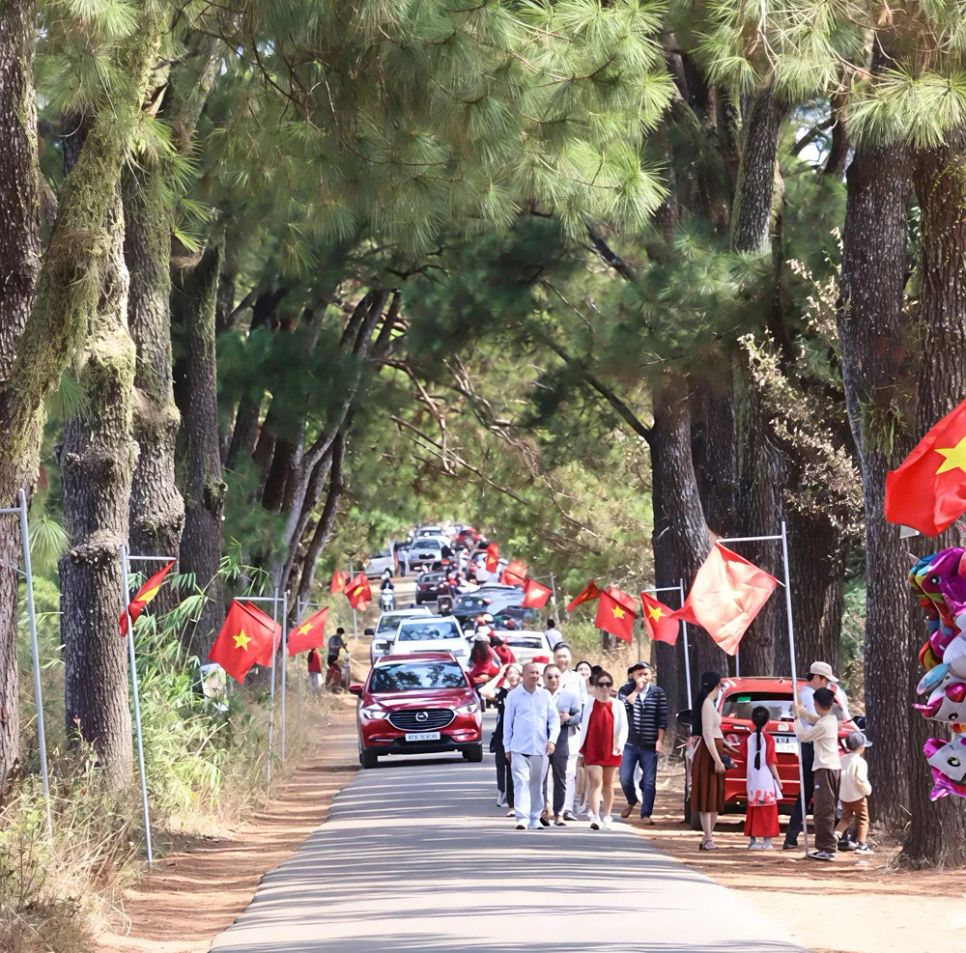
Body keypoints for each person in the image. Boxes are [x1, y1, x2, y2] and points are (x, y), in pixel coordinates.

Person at [783, 660, 848, 850]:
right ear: (818, 678)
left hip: (816, 746)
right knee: (817, 794)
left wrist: (801, 713)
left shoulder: (812, 696)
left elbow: (817, 720)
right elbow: (815, 725)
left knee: (820, 793)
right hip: (812, 747)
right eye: (826, 680)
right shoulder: (810, 695)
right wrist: (798, 716)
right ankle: (825, 837)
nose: (828, 684)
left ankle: (799, 835)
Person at [503, 662, 560, 830]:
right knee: (521, 782)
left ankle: (535, 817)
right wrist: (507, 747)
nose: (535, 676)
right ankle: (522, 817)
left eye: (537, 673)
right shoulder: (514, 696)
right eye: (531, 673)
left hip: (540, 748)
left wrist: (552, 740)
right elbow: (508, 723)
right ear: (523, 675)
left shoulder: (545, 695)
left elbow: (554, 720)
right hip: (519, 747)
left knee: (536, 784)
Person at [793, 686, 842, 861]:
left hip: (825, 769)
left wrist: (796, 719)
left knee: (823, 810)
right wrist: (802, 711)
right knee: (825, 808)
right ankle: (825, 847)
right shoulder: (830, 719)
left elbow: (803, 737)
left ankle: (827, 848)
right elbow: (815, 719)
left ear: (818, 704)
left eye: (814, 704)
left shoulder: (824, 725)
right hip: (829, 768)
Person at [576, 669, 628, 830]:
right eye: (601, 684)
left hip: (611, 748)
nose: (605, 688)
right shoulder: (590, 704)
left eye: (608, 684)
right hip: (592, 748)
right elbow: (584, 726)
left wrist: (620, 744)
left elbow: (624, 727)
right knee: (596, 780)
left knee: (608, 783)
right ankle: (595, 815)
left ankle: (607, 815)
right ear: (596, 686)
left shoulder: (618, 705)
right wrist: (580, 750)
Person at [617, 661, 667, 824]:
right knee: (625, 777)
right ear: (633, 675)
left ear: (651, 675)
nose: (643, 677)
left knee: (649, 780)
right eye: (639, 674)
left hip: (650, 743)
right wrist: (637, 689)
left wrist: (660, 740)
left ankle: (646, 814)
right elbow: (624, 706)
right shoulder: (625, 690)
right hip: (629, 743)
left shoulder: (658, 693)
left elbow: (662, 719)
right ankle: (631, 800)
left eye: (646, 674)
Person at [690, 671, 735, 850]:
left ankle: (708, 836)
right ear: (716, 686)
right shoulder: (707, 705)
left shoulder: (709, 704)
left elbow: (715, 732)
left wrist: (726, 745)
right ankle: (708, 837)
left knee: (715, 796)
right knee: (707, 797)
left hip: (715, 747)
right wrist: (717, 760)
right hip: (709, 752)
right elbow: (707, 733)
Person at [542, 664, 582, 826]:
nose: (553, 680)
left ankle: (559, 812)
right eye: (549, 676)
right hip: (541, 741)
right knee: (541, 778)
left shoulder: (570, 696)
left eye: (556, 676)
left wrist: (568, 719)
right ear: (544, 678)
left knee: (560, 778)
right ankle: (544, 810)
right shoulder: (539, 695)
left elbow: (578, 715)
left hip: (562, 740)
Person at [553, 644, 587, 821]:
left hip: (571, 730)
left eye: (565, 656)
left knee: (569, 771)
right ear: (554, 657)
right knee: (551, 771)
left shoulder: (577, 679)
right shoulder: (547, 675)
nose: (562, 660)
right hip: (549, 732)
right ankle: (550, 807)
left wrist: (571, 719)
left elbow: (583, 705)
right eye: (559, 656)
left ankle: (567, 808)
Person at [743, 705, 782, 850]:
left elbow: (743, 755)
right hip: (766, 779)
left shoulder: (748, 739)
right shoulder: (769, 739)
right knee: (768, 810)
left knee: (753, 808)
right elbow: (771, 761)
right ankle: (767, 841)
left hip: (752, 778)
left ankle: (753, 840)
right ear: (768, 721)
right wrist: (778, 779)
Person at [836, 731, 873, 854]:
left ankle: (834, 836)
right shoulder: (860, 762)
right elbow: (860, 779)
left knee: (845, 817)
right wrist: (867, 790)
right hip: (858, 795)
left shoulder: (841, 759)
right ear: (861, 747)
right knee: (862, 818)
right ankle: (861, 844)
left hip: (844, 795)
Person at [492, 664, 522, 810]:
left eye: (516, 673)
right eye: (509, 673)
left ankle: (516, 798)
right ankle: (503, 793)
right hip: (502, 732)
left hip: (521, 733)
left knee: (515, 766)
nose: (513, 675)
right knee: (502, 764)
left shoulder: (524, 692)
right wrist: (499, 674)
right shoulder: (503, 693)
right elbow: (484, 691)